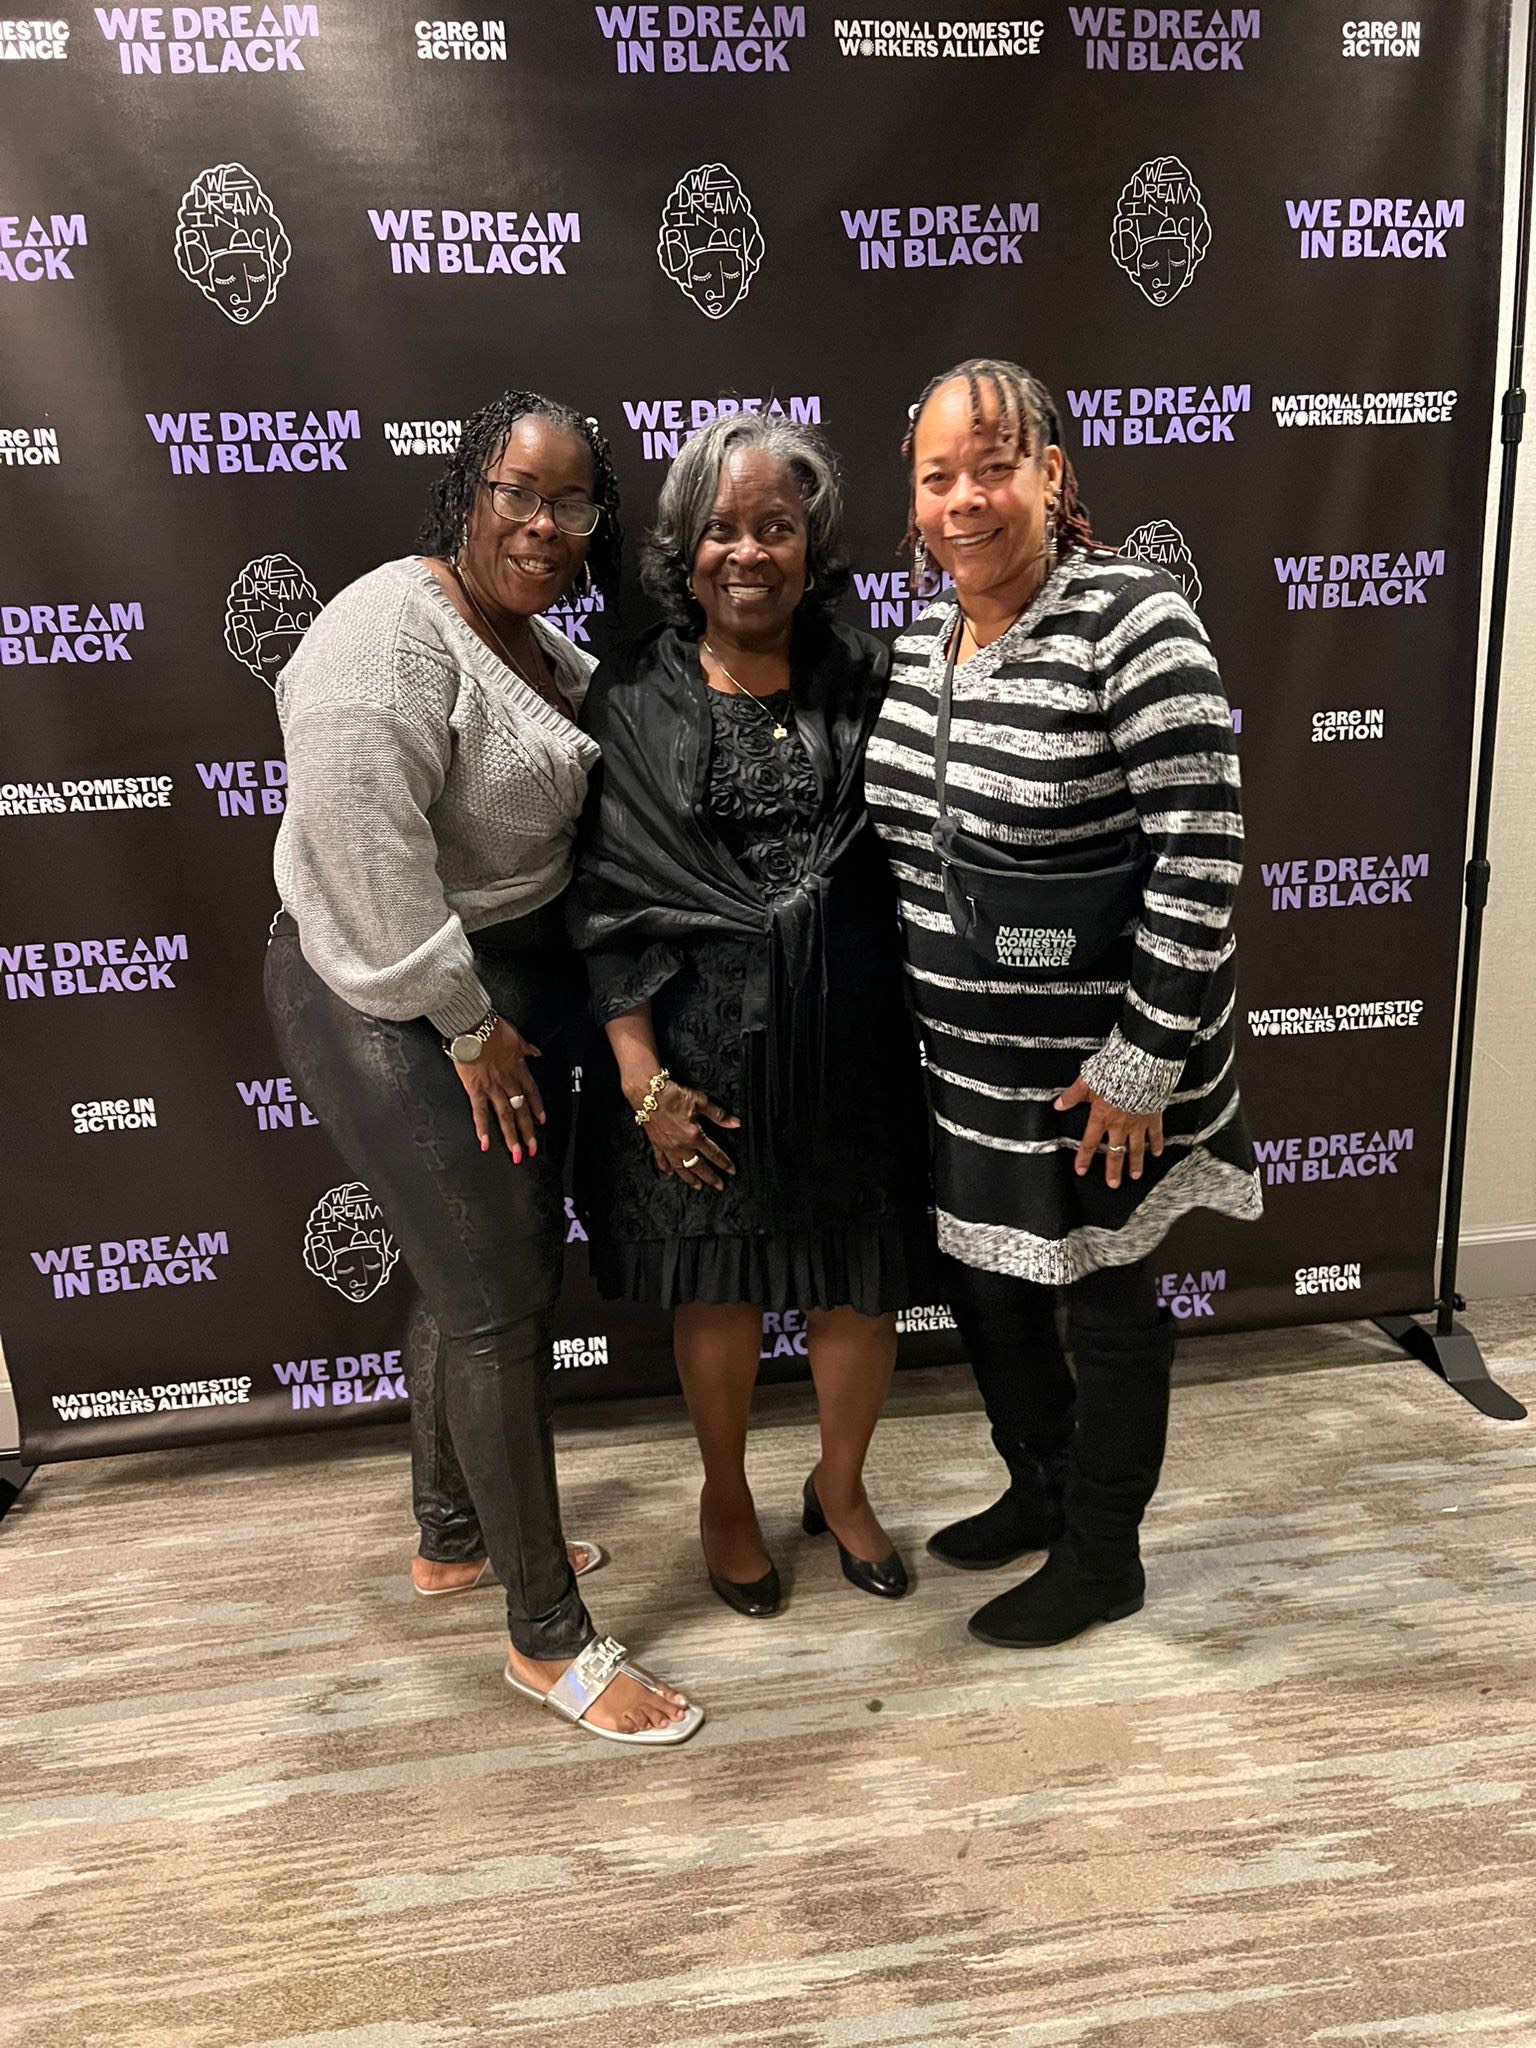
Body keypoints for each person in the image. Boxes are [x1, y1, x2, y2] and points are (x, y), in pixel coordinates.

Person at [264, 390, 701, 1746]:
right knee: (501, 1298)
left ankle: (456, 1537)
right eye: (519, 490)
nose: (543, 522)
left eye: (572, 501)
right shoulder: (379, 636)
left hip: (502, 991)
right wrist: (466, 1029)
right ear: (468, 487)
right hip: (383, 989)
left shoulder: (535, 641)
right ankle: (545, 1640)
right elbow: (372, 868)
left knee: (473, 1279)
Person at [865, 358, 1262, 1649]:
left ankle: (1105, 1553)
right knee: (988, 1290)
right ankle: (1038, 1489)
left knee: (1105, 1302)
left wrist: (1145, 1056)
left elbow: (1202, 845)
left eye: (994, 466)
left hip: (1105, 1076)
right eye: (938, 476)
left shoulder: (1133, 621)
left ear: (1052, 473)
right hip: (971, 1072)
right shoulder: (925, 638)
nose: (965, 498)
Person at [568, 414, 935, 1618]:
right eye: (721, 528)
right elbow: (610, 898)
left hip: (852, 1050)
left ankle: (840, 1484)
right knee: (718, 1290)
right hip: (692, 1061)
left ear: (811, 543)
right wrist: (642, 1084)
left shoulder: (870, 677)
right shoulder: (633, 692)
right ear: (685, 548)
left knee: (858, 1284)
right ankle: (726, 1495)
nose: (747, 551)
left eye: (774, 526)